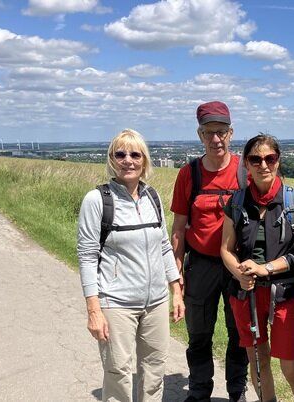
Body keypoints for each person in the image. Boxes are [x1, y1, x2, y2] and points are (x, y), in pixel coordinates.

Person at [77, 128, 184, 401]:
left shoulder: (153, 197)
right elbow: (88, 256)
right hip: (116, 303)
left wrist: (176, 290)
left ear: (145, 161)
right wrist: (94, 310)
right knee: (118, 373)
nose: (128, 160)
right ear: (112, 159)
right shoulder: (97, 200)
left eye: (135, 154)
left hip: (156, 302)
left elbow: (163, 246)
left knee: (155, 370)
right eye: (120, 154)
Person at [221, 134, 294, 402]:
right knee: (258, 363)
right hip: (246, 293)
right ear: (246, 165)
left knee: (291, 367)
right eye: (255, 159)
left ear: (278, 161)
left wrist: (266, 269)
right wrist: (239, 273)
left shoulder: (293, 201)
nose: (264, 165)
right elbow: (225, 249)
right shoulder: (237, 203)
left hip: (285, 293)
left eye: (270, 158)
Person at [170, 101, 249, 402]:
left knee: (239, 333)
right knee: (199, 334)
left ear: (231, 133)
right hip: (200, 265)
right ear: (200, 134)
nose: (216, 139)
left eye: (221, 132)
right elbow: (178, 228)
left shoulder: (245, 172)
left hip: (237, 266)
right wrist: (176, 272)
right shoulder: (189, 174)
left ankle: (236, 391)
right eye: (209, 133)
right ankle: (200, 391)